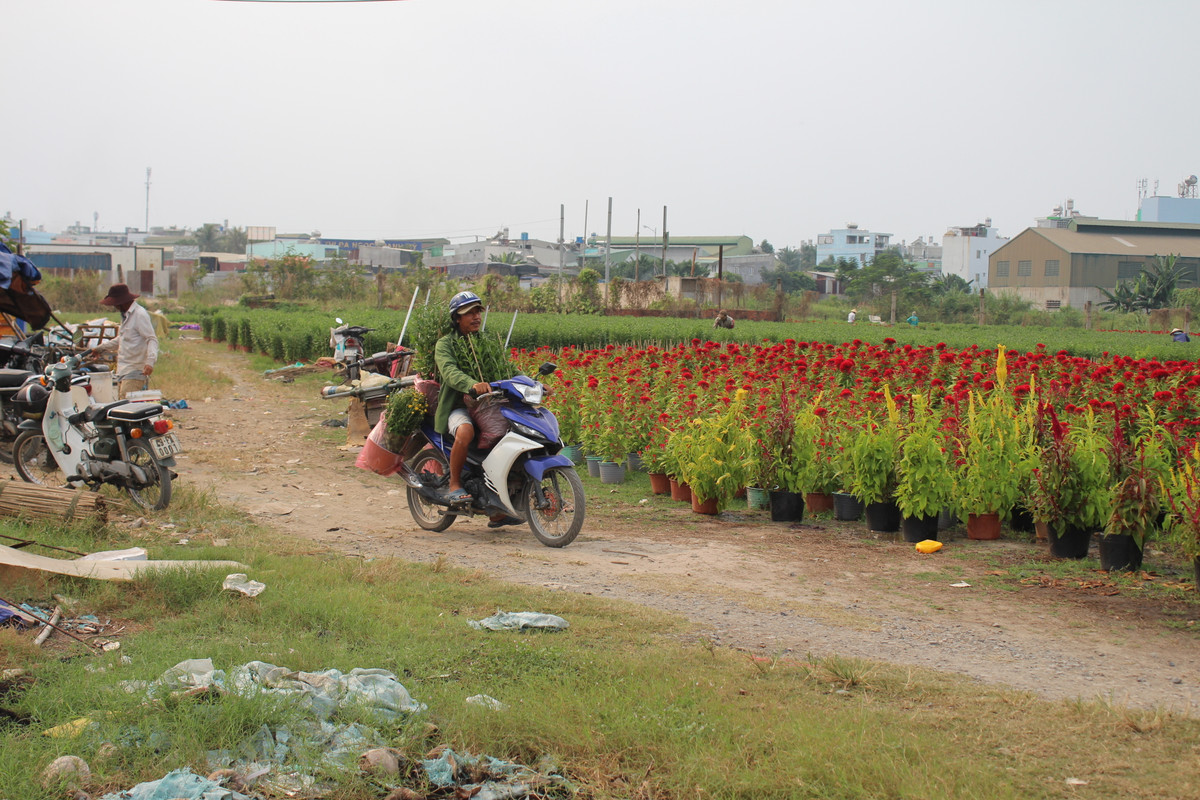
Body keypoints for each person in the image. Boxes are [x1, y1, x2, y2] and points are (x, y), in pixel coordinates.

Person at [433, 291, 520, 527]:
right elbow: (449, 371)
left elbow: (507, 367)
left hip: (488, 407)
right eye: (468, 313)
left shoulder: (487, 342)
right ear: (456, 318)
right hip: (458, 406)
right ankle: (454, 484)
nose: (475, 317)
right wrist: (471, 384)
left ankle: (498, 503)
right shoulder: (445, 344)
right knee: (465, 432)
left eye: (477, 312)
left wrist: (532, 383)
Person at [93, 283, 158, 399]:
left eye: (115, 304)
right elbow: (121, 340)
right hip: (123, 369)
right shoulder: (126, 316)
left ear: (121, 302)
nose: (115, 307)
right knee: (121, 404)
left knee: (126, 404)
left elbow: (151, 339)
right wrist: (100, 348)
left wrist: (150, 362)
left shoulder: (139, 314)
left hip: (136, 368)